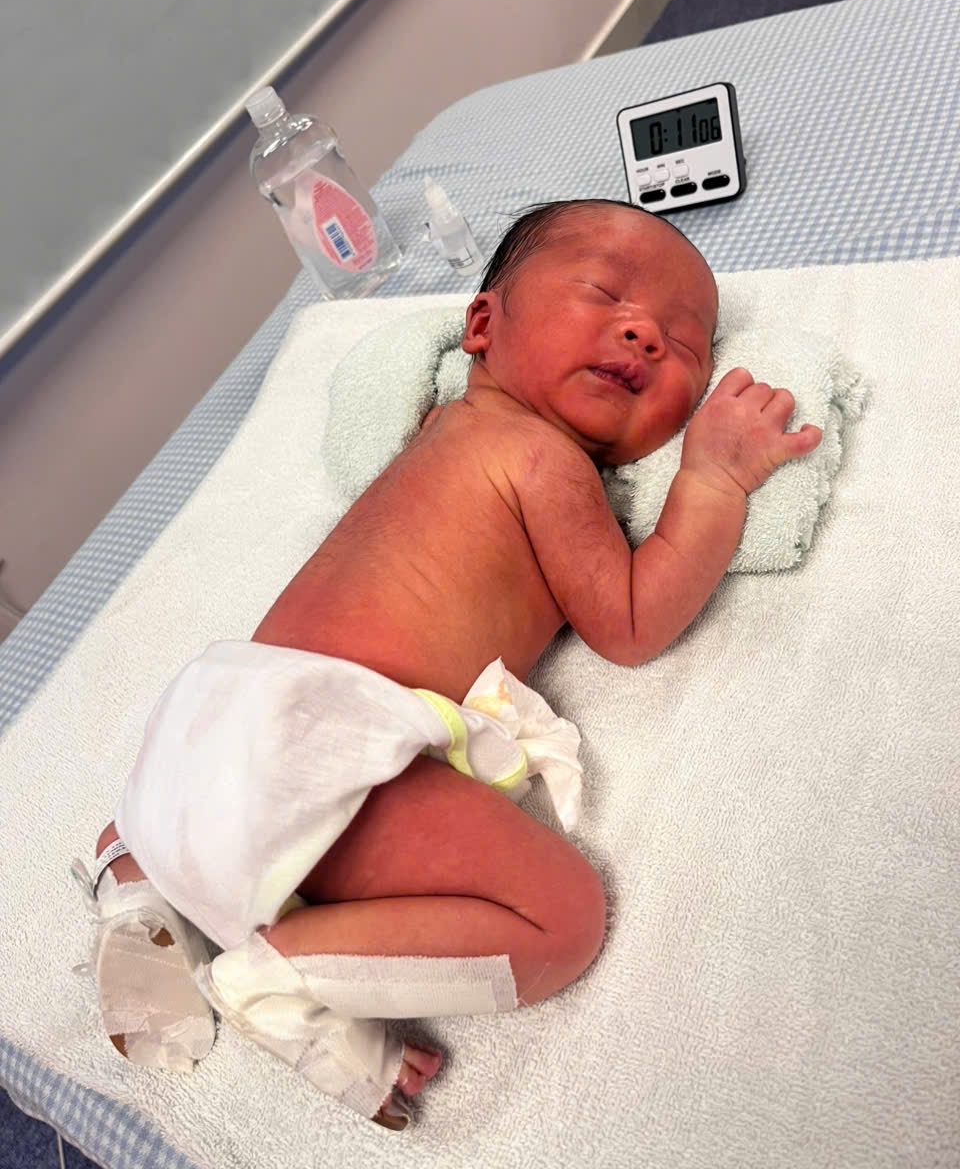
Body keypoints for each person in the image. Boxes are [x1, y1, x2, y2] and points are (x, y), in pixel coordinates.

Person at [79, 198, 821, 1130]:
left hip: (202, 734)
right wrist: (713, 478)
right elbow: (631, 624)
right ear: (481, 326)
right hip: (326, 747)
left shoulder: (437, 432)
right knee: (562, 919)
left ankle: (136, 874)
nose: (643, 333)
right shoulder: (543, 456)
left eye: (684, 346)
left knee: (224, 829)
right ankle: (279, 973)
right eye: (603, 293)